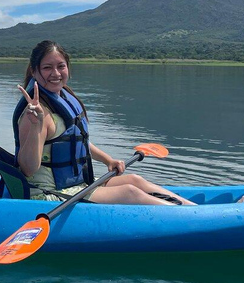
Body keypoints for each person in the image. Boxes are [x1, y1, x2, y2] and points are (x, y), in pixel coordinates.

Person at [14, 40, 194, 205]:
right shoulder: (35, 114)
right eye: (47, 67)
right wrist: (37, 124)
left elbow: (76, 140)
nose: (56, 73)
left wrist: (108, 160)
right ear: (34, 71)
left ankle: (193, 209)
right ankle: (193, 219)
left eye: (61, 66)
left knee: (134, 180)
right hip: (48, 195)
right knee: (129, 192)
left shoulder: (62, 98)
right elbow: (28, 168)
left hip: (76, 186)